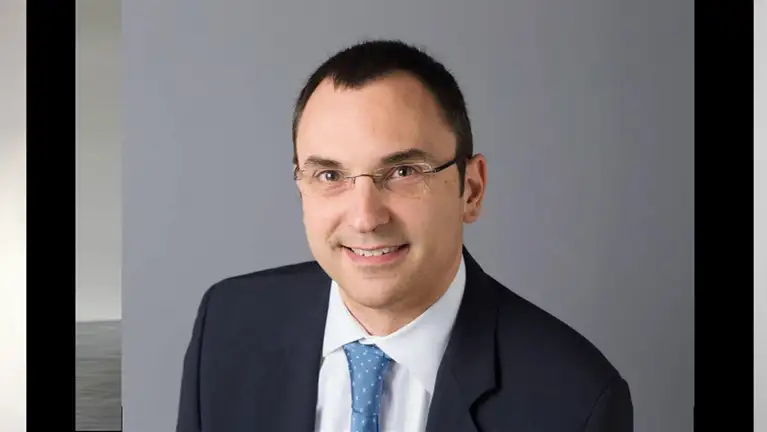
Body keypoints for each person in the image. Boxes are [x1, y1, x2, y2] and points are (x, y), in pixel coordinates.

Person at [175, 39, 633, 432]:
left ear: (471, 190)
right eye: (330, 175)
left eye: (402, 171)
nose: (365, 218)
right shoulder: (228, 327)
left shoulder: (575, 402)